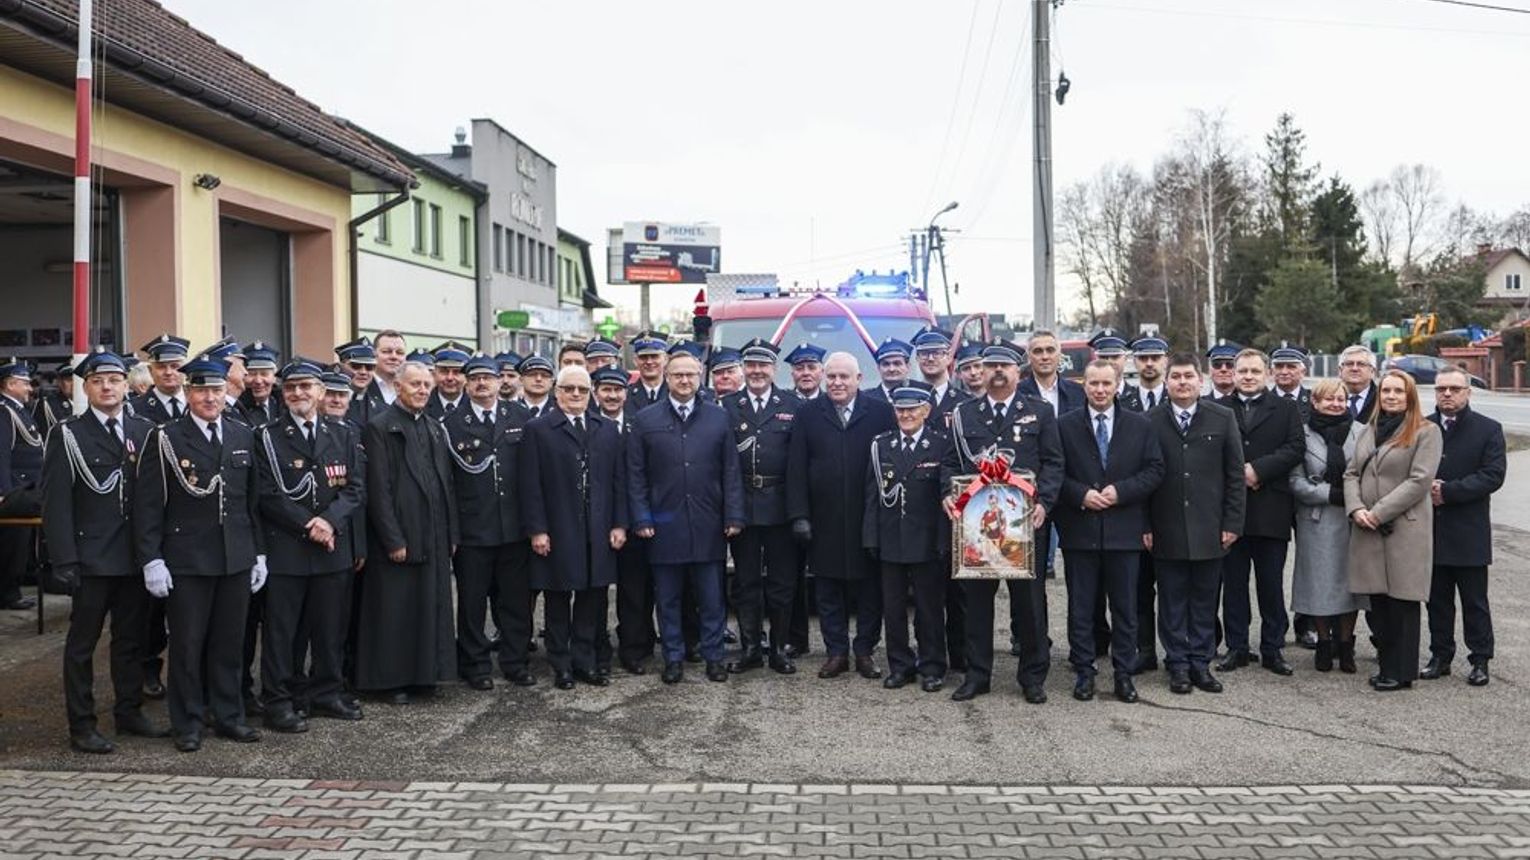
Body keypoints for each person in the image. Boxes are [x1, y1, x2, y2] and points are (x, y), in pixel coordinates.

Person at [134, 352, 266, 752]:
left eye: (216, 390)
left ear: (226, 392)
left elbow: (251, 502)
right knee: (188, 646)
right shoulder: (166, 438)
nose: (210, 398)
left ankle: (228, 716)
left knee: (230, 644)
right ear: (188, 393)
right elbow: (148, 505)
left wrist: (258, 553)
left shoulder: (242, 434)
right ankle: (188, 722)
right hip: (187, 558)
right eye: (201, 391)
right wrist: (151, 558)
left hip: (235, 556)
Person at [44, 350, 167, 753]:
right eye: (97, 381)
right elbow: (57, 502)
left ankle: (129, 712)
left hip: (134, 557)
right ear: (86, 388)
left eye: (114, 380)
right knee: (82, 646)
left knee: (130, 641)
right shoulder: (68, 434)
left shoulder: (145, 430)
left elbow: (154, 499)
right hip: (91, 559)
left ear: (127, 385)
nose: (107, 387)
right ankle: (82, 724)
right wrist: (64, 558)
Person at [939, 339, 1062, 703]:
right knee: (976, 603)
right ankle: (977, 675)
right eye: (990, 365)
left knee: (1030, 603)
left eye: (1003, 366)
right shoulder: (965, 414)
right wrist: (947, 492)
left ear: (1017, 372)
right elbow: (950, 463)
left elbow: (1054, 462)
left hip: (1025, 521)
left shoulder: (1039, 412)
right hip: (978, 524)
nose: (996, 371)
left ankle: (1033, 677)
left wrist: (1045, 502)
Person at [255, 359, 366, 731]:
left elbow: (355, 488)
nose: (298, 393)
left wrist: (329, 521)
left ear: (320, 391)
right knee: (282, 634)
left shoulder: (343, 433)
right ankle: (279, 700)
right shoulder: (266, 436)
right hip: (288, 549)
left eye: (306, 387)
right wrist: (309, 525)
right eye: (290, 388)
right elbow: (267, 494)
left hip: (332, 548)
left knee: (330, 628)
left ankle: (326, 693)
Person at [627, 354, 743, 684]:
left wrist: (733, 515)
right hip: (663, 525)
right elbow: (636, 474)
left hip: (708, 522)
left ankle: (714, 657)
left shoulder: (719, 417)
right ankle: (673, 658)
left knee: (711, 598)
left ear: (700, 376)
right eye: (677, 374)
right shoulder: (646, 419)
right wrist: (641, 518)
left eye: (690, 374)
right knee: (668, 599)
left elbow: (730, 470)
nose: (684, 380)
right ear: (666, 377)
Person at [1055, 359, 1164, 704]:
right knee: (1081, 608)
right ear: (1083, 385)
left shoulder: (1140, 424)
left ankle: (1123, 674)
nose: (1100, 390)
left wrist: (1121, 491)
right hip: (1080, 530)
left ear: (1117, 385)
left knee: (1125, 607)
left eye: (1106, 383)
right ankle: (1084, 672)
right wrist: (1080, 495)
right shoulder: (1064, 425)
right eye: (1093, 383)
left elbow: (1154, 469)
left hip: (1124, 530)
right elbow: (1054, 471)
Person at [788, 351, 896, 681]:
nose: (837, 382)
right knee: (827, 589)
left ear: (858, 379)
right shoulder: (807, 413)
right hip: (824, 518)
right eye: (832, 376)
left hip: (869, 517)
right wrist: (799, 515)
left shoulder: (881, 412)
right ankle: (836, 652)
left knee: (870, 590)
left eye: (844, 377)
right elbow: (796, 468)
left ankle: (864, 650)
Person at [358, 361, 458, 704]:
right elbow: (378, 490)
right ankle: (391, 682)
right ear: (398, 387)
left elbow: (445, 485)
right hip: (399, 537)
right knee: (395, 611)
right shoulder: (380, 427)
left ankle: (424, 675)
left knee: (428, 607)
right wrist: (393, 539)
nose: (422, 390)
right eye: (415, 384)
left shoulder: (433, 426)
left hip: (433, 534)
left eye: (426, 385)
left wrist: (452, 535)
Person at [522, 365, 629, 688]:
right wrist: (537, 530)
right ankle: (561, 664)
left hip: (598, 529)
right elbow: (530, 484)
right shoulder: (539, 429)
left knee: (591, 599)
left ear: (591, 393)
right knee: (557, 598)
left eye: (582, 389)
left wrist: (619, 524)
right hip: (558, 529)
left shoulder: (606, 429)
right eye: (569, 389)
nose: (576, 395)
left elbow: (618, 482)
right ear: (557, 392)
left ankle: (584, 662)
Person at [1146, 353, 1244, 695]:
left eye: (1189, 376)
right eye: (1176, 376)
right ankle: (1177, 664)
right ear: (1166, 382)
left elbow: (1235, 476)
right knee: (1171, 600)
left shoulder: (1222, 417)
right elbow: (1143, 476)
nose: (1183, 382)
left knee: (1204, 600)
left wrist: (1233, 522)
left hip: (1210, 527)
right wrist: (1145, 525)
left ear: (1200, 381)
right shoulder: (1149, 421)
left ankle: (1201, 663)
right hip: (1166, 526)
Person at [1344, 369, 1442, 692]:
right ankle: (1387, 666)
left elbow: (1420, 480)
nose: (1391, 396)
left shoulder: (1426, 431)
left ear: (1409, 396)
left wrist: (1378, 512)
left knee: (1403, 603)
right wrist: (1356, 508)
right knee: (1380, 604)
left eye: (1398, 391)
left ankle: (1402, 672)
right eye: (1386, 390)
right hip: (1367, 528)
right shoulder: (1367, 430)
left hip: (1404, 529)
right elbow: (1351, 473)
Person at [443, 354, 535, 689]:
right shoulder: (451, 424)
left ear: (500, 381)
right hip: (473, 531)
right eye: (475, 378)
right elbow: (448, 485)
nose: (482, 383)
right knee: (472, 604)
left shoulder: (520, 417)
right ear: (466, 384)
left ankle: (515, 661)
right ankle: (476, 665)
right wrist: (453, 532)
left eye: (488, 377)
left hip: (514, 528)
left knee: (515, 602)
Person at [1220, 348, 1305, 675]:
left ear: (1267, 374)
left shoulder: (1286, 408)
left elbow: (1295, 447)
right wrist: (1238, 474)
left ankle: (1273, 648)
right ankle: (1237, 647)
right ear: (1233, 374)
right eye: (1242, 371)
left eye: (1255, 371)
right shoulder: (1218, 408)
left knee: (1270, 584)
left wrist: (1258, 470)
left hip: (1271, 508)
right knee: (1234, 584)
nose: (1248, 376)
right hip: (1231, 511)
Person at [722, 339, 803, 675]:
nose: (757, 371)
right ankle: (751, 649)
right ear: (744, 369)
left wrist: (799, 513)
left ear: (774, 369)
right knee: (746, 583)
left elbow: (799, 464)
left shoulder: (793, 405)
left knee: (782, 583)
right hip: (743, 505)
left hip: (781, 507)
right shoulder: (728, 405)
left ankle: (779, 649)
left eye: (763, 365)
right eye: (751, 365)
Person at [863, 382, 949, 692]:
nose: (906, 414)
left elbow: (945, 497)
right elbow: (872, 496)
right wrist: (871, 538)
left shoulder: (940, 445)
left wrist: (944, 541)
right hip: (891, 540)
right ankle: (900, 666)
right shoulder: (881, 445)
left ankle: (932, 666)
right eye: (900, 409)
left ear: (926, 411)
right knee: (894, 609)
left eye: (912, 409)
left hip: (927, 542)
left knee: (929, 609)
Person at [1423, 367, 1504, 687]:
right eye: (1441, 388)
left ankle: (1480, 659)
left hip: (1469, 531)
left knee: (1474, 602)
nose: (1447, 394)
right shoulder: (1422, 426)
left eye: (1454, 389)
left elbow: (1492, 475)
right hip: (1430, 531)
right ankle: (1440, 656)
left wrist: (1448, 492)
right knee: (1436, 601)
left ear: (1468, 392)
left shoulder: (1488, 429)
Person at [1289, 379, 1367, 674]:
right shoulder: (1302, 434)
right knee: (1319, 584)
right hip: (1317, 518)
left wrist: (1352, 498)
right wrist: (1328, 494)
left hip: (1354, 518)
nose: (1335, 404)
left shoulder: (1362, 432)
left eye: (1340, 399)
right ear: (1315, 402)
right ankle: (1323, 643)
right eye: (1328, 399)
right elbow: (1295, 481)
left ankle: (1346, 645)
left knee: (1351, 584)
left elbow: (1371, 474)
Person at [594, 366, 654, 674]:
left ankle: (633, 649)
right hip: (596, 521)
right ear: (596, 393)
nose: (612, 395)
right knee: (595, 592)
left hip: (631, 521)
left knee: (634, 591)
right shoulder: (586, 424)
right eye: (606, 390)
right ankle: (597, 649)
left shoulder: (638, 424)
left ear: (626, 394)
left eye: (617, 390)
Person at [0, 357, 43, 611]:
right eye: (24, 383)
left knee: (20, 545)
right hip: (15, 490)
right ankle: (7, 594)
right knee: (11, 545)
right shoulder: (4, 411)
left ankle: (11, 590)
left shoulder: (17, 409)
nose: (29, 388)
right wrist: (3, 492)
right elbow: (1, 453)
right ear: (10, 384)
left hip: (27, 487)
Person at [1020, 330, 1085, 417]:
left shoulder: (1078, 392)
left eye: (1050, 350)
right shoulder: (1017, 393)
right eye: (1038, 351)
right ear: (1029, 357)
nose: (1045, 357)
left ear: (1059, 355)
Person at [128, 333, 190, 425]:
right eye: (161, 367)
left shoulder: (201, 402)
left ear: (185, 369)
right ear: (150, 370)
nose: (168, 372)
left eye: (174, 366)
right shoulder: (132, 409)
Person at [912, 326, 966, 422]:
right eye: (924, 354)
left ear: (949, 357)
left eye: (936, 353)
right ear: (917, 358)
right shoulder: (908, 400)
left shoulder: (964, 401)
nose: (930, 359)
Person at [336, 337, 385, 427]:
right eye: (356, 366)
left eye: (369, 367)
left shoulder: (383, 409)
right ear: (342, 366)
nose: (363, 372)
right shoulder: (329, 404)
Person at [236, 342, 283, 428]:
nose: (258, 381)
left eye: (264, 374)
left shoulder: (284, 403)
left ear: (274, 377)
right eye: (252, 374)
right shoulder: (236, 407)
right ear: (243, 376)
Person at [1117, 334, 1169, 412]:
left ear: (1165, 361)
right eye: (1143, 358)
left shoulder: (1175, 400)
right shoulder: (1121, 404)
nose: (1149, 364)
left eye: (1155, 358)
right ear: (1134, 362)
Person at [627, 331, 670, 408]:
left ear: (665, 359)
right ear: (635, 361)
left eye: (654, 356)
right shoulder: (625, 395)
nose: (649, 362)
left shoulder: (676, 393)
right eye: (643, 357)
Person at [425, 344, 469, 418]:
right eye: (444, 371)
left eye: (457, 372)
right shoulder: (422, 404)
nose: (450, 378)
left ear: (467, 376)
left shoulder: (477, 404)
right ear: (434, 374)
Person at [864, 338, 913, 402]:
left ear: (908, 367)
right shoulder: (865, 399)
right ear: (878, 368)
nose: (891, 369)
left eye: (897, 363)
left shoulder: (922, 394)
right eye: (886, 364)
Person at [1337, 345, 1378, 422]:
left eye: (1361, 364)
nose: (1354, 368)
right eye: (1349, 364)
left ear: (1372, 371)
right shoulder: (1327, 399)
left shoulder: (1381, 399)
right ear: (1340, 370)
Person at [369, 330, 408, 406]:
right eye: (386, 351)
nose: (394, 357)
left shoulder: (410, 390)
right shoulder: (363, 387)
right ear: (374, 355)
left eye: (400, 353)